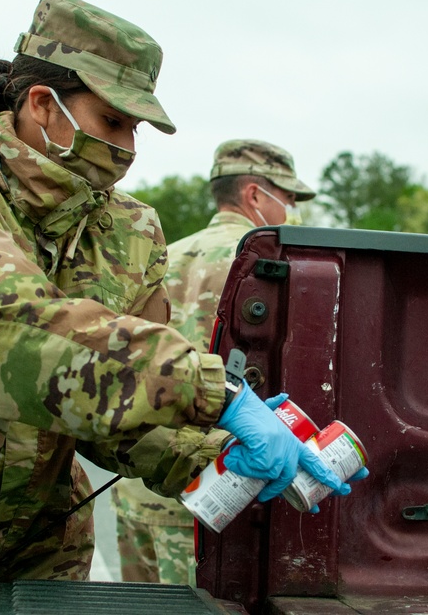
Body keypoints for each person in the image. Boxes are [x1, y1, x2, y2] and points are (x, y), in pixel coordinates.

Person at [0, 0, 355, 582]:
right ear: (42, 104)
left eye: (135, 128)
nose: (130, 149)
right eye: (113, 121)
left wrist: (218, 454)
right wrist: (216, 393)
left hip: (39, 547)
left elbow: (123, 417)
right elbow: (8, 332)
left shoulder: (128, 230)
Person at [111, 139, 316, 584]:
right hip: (209, 485)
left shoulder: (162, 255)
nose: (293, 210)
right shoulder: (267, 267)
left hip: (133, 478)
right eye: (291, 198)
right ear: (256, 196)